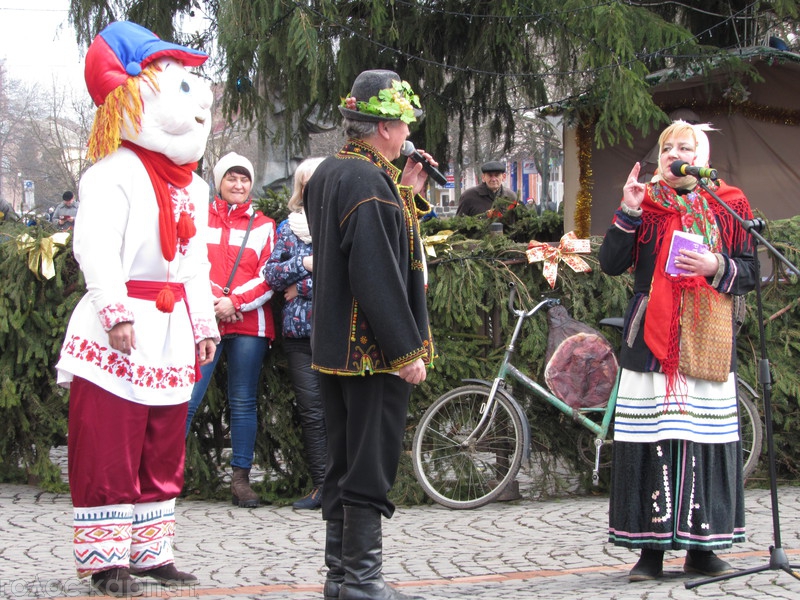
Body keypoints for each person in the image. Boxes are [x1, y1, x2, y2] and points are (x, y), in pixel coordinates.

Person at [55, 21, 218, 597]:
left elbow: (194, 263)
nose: (199, 102)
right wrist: (116, 311)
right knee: (110, 440)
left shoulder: (195, 189)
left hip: (171, 325)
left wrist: (204, 324)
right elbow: (94, 246)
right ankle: (107, 559)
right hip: (119, 327)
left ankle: (152, 552)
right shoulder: (111, 173)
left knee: (162, 439)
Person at [598, 120, 757, 582]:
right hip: (651, 343)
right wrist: (627, 212)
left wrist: (715, 264)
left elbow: (751, 269)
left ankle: (702, 551)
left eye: (684, 147)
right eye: (667, 148)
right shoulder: (644, 202)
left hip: (706, 341)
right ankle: (648, 554)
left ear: (702, 157)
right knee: (651, 443)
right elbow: (610, 264)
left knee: (703, 441)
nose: (673, 154)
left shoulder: (730, 203)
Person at [304, 69, 435, 600]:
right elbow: (376, 269)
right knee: (368, 463)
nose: (406, 132)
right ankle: (360, 581)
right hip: (371, 352)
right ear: (383, 126)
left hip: (337, 346)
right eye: (401, 123)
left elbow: (359, 244)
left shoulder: (334, 171)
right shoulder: (366, 181)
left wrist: (405, 194)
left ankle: (342, 579)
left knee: (344, 460)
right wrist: (406, 349)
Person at [185, 152, 276, 509]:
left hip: (249, 323)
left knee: (242, 402)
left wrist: (233, 302)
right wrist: (210, 302)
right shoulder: (198, 217)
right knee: (188, 398)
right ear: (219, 183)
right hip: (204, 319)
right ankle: (163, 474)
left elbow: (269, 275)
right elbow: (187, 262)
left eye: (244, 180)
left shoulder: (265, 225)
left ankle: (241, 480)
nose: (238, 185)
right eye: (231, 179)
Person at [263, 156, 326, 510]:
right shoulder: (288, 228)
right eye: (308, 183)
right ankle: (322, 486)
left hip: (336, 330)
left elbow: (347, 277)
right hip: (299, 334)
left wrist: (301, 288)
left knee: (339, 411)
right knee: (312, 411)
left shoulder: (340, 221)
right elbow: (271, 275)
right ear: (301, 189)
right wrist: (304, 263)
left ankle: (347, 486)